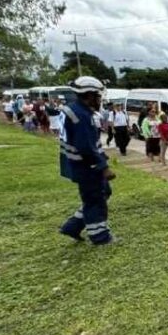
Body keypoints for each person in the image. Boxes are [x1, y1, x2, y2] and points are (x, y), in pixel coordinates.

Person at [58, 76, 116, 245]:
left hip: (80, 164)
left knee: (104, 192)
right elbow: (86, 148)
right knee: (95, 199)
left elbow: (92, 143)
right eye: (98, 96)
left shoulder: (75, 110)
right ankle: (100, 236)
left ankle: (73, 226)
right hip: (86, 166)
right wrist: (103, 167)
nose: (100, 100)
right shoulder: (81, 115)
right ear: (89, 95)